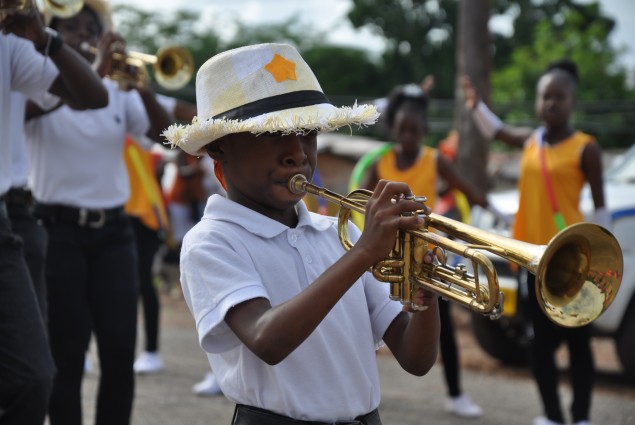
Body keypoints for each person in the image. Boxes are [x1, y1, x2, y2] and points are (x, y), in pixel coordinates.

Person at [162, 42, 441, 425]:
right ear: (219, 148)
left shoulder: (334, 234)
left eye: (306, 132)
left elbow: (416, 358)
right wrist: (362, 254)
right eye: (271, 133)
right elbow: (268, 340)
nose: (297, 152)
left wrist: (425, 293)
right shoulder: (210, 242)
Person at [23, 0, 171, 423]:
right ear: (50, 35)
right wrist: (95, 74)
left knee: (120, 353)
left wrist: (141, 85)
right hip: (56, 231)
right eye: (70, 28)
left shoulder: (119, 93)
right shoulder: (34, 83)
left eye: (91, 27)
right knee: (64, 358)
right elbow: (33, 112)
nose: (84, 35)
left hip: (115, 235)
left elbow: (166, 137)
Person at [462, 59, 609, 425]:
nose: (551, 103)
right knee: (539, 345)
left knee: (578, 346)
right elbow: (497, 132)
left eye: (559, 96)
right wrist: (476, 105)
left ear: (573, 100)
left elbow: (602, 211)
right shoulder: (531, 141)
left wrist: (604, 266)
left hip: (574, 264)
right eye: (545, 96)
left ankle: (582, 418)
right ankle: (552, 417)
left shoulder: (585, 148)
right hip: (533, 261)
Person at [1, 6, 108, 425]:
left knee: (33, 378)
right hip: (38, 216)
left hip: (12, 219)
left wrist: (48, 40)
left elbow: (93, 96)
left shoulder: (11, 45)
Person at [359, 83, 487, 419]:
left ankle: (456, 394)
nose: (408, 135)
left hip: (427, 261)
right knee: (369, 322)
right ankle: (363, 388)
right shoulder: (381, 162)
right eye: (402, 129)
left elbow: (467, 191)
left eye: (415, 130)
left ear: (425, 131)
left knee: (440, 330)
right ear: (394, 129)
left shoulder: (434, 160)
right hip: (388, 259)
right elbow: (364, 203)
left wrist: (496, 214)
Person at [131, 94, 196, 375]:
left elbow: (177, 114)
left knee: (145, 284)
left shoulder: (143, 135)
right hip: (115, 218)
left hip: (142, 218)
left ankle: (151, 351)